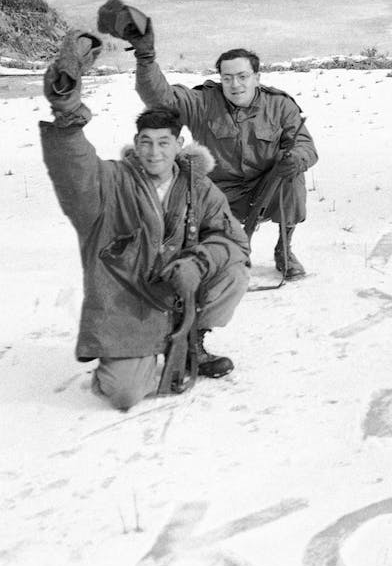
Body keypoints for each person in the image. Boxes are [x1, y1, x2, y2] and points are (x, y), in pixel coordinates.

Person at [39, 32, 247, 410]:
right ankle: (137, 356)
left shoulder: (199, 187)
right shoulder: (110, 183)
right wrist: (67, 113)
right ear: (136, 143)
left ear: (178, 145)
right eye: (146, 142)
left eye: (164, 143)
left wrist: (199, 261)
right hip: (129, 303)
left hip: (181, 294)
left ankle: (190, 342)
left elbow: (234, 240)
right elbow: (74, 167)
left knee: (234, 270)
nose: (154, 152)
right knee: (124, 394)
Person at [115, 0, 317, 280]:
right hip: (220, 190)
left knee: (293, 180)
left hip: (267, 184)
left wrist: (295, 158)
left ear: (257, 77)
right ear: (220, 78)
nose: (235, 85)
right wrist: (145, 58)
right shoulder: (203, 101)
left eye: (243, 76)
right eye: (228, 78)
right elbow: (160, 99)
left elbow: (306, 146)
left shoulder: (280, 105)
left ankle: (285, 249)